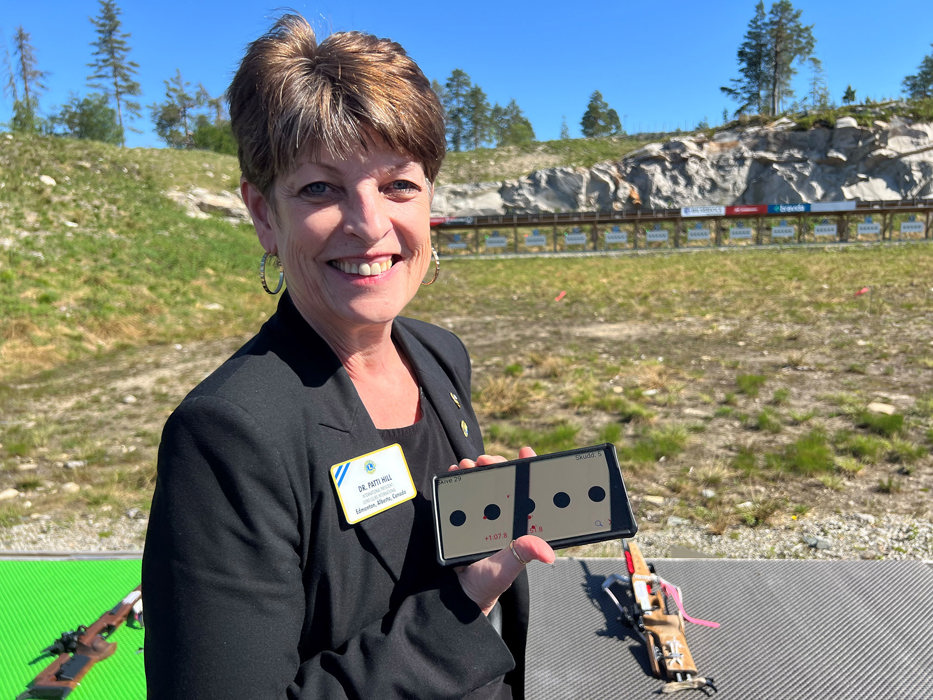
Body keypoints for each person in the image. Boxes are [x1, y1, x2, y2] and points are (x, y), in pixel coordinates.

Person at [141, 13, 554, 698]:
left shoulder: (440, 356)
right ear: (264, 214)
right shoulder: (227, 435)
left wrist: (481, 527)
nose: (368, 224)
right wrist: (461, 607)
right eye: (320, 189)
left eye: (398, 185)